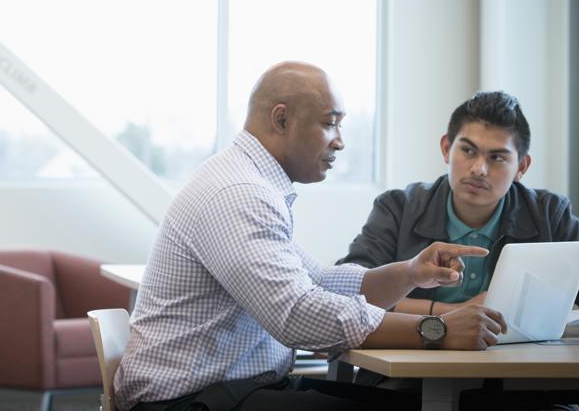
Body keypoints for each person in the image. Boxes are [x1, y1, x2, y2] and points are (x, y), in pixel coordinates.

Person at [114, 62, 508, 411]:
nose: (340, 140)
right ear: (281, 120)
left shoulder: (249, 182)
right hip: (188, 401)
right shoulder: (239, 193)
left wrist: (409, 273)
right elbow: (298, 315)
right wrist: (438, 330)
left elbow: (318, 282)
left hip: (230, 391)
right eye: (329, 123)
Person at [339, 90, 579, 394]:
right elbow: (347, 292)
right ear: (447, 148)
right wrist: (453, 313)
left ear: (522, 167)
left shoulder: (549, 214)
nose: (479, 169)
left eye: (498, 157)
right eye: (468, 151)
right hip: (409, 381)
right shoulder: (399, 208)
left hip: (522, 384)